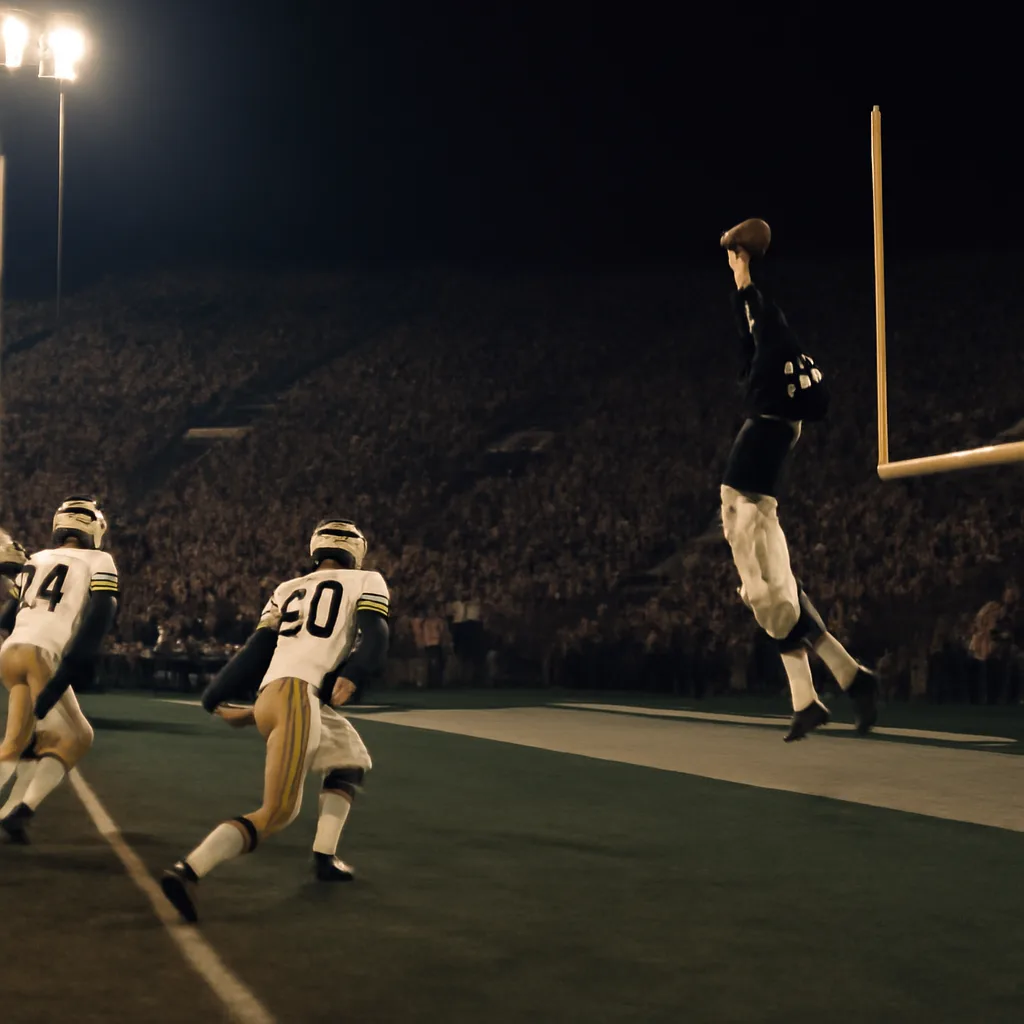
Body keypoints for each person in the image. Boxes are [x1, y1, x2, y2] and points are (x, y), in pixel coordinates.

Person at [160, 518, 390, 923]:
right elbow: (376, 636)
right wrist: (355, 675)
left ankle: (324, 855)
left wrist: (216, 696)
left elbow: (258, 648)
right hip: (300, 697)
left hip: (273, 695)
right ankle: (189, 870)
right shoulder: (366, 580)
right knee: (278, 812)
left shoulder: (288, 588)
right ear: (355, 551)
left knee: (350, 758)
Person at [718, 234, 877, 741]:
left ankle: (816, 695)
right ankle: (842, 681)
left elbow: (759, 313)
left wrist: (744, 270)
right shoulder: (781, 409)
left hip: (750, 503)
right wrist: (739, 273)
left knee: (771, 600)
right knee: (779, 594)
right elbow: (753, 320)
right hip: (754, 502)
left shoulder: (775, 404)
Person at [0, 498, 119, 841]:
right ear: (94, 529)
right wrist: (68, 670)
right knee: (79, 736)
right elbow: (100, 614)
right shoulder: (101, 560)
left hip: (12, 651)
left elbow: (8, 616)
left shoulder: (36, 558)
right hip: (44, 654)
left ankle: (12, 813)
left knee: (17, 743)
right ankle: (23, 808)